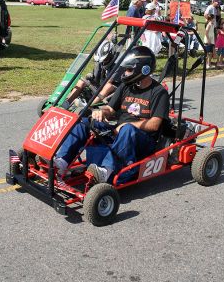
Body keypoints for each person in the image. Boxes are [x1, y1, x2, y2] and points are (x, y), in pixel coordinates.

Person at [54, 46, 170, 186]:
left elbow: (155, 124)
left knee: (127, 129)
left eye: (129, 70)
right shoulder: (126, 86)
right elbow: (110, 108)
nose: (125, 73)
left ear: (143, 69)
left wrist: (124, 127)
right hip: (120, 133)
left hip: (144, 142)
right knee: (84, 122)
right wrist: (102, 112)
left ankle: (106, 171)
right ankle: (61, 162)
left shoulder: (158, 92)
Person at [62, 40, 123, 108]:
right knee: (81, 81)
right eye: (101, 61)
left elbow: (108, 82)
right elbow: (95, 75)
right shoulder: (100, 62)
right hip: (100, 86)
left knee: (108, 86)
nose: (103, 62)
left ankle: (88, 106)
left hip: (114, 90)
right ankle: (67, 103)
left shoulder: (118, 65)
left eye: (105, 59)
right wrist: (90, 76)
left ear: (111, 55)